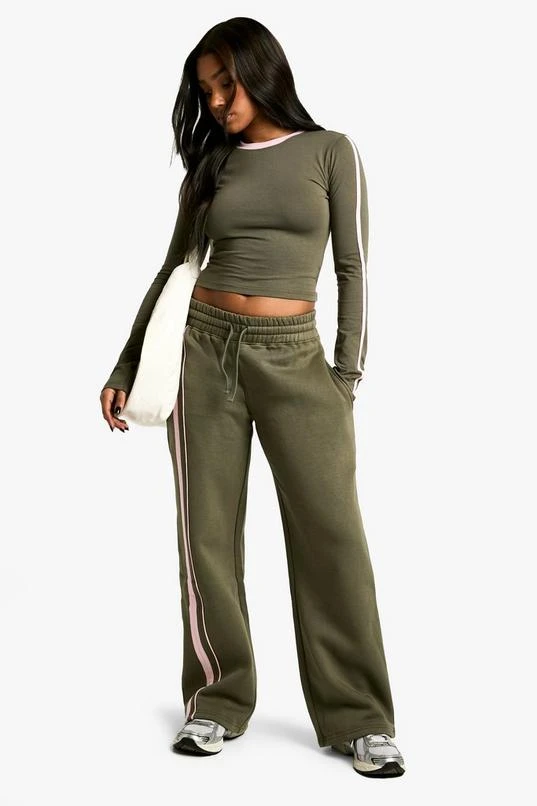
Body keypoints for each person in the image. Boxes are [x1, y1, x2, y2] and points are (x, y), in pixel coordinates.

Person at [100, 16, 405, 778]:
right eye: (205, 91)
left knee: (332, 540)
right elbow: (174, 267)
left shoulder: (331, 151)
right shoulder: (213, 165)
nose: (215, 102)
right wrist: (127, 364)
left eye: (226, 84)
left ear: (263, 73)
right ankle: (216, 700)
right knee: (205, 537)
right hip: (202, 353)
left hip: (297, 358)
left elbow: (353, 269)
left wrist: (345, 378)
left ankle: (359, 718)